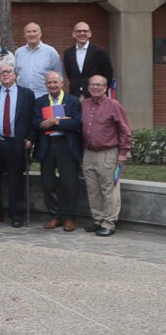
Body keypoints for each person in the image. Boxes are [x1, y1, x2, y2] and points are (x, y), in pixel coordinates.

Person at [0, 64, 38, 226]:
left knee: (16, 180)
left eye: (8, 72)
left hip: (16, 144)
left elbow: (33, 118)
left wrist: (30, 138)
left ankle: (16, 215)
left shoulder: (27, 94)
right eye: (2, 73)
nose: (5, 75)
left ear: (15, 74)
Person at [79, 75, 131, 237]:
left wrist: (123, 153)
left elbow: (125, 130)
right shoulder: (84, 104)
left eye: (99, 85)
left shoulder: (114, 105)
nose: (95, 87)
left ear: (105, 88)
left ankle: (109, 222)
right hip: (88, 153)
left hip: (108, 153)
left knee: (109, 189)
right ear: (88, 87)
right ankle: (98, 219)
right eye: (92, 85)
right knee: (93, 189)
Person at [35, 71, 83, 231]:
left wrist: (56, 121)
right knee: (47, 182)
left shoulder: (73, 101)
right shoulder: (40, 102)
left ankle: (69, 217)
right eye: (49, 82)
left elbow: (76, 123)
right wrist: (60, 121)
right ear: (45, 85)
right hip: (47, 145)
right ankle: (55, 215)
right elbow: (36, 123)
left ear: (62, 83)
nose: (52, 85)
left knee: (70, 183)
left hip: (66, 145)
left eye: (55, 82)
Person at [63, 22, 114, 97]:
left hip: (95, 95)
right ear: (73, 34)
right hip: (75, 95)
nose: (82, 33)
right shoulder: (68, 53)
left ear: (90, 34)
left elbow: (108, 74)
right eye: (79, 31)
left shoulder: (100, 51)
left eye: (85, 31)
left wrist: (101, 91)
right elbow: (69, 74)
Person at [14, 22, 62, 98]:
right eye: (28, 32)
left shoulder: (51, 52)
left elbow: (59, 76)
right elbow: (16, 73)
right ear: (24, 35)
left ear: (40, 34)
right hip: (23, 97)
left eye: (34, 31)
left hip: (45, 97)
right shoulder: (19, 52)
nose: (31, 34)